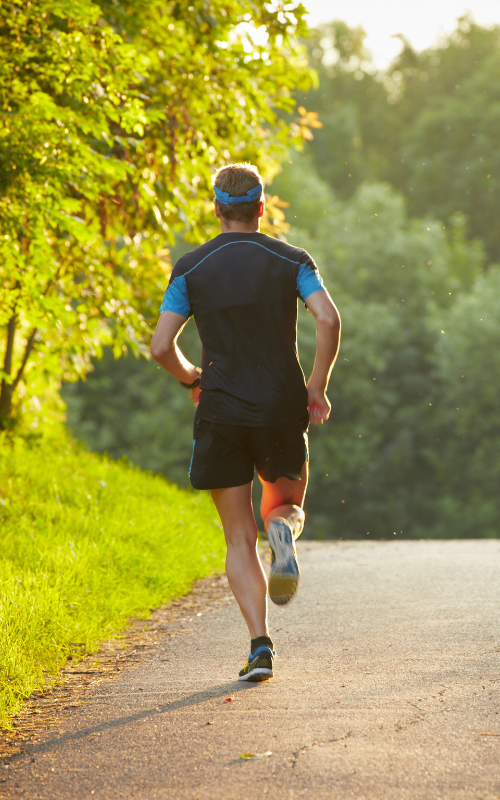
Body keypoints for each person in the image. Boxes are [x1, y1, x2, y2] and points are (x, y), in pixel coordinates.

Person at [151, 162, 340, 682]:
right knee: (285, 506)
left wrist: (193, 378)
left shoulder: (191, 268)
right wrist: (317, 387)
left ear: (217, 208)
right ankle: (283, 532)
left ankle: (260, 646)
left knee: (238, 538)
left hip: (221, 413)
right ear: (261, 207)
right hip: (281, 406)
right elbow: (328, 318)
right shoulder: (291, 260)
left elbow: (161, 346)